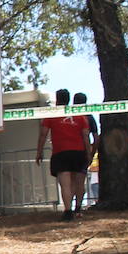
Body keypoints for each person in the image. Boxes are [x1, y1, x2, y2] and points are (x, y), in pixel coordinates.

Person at [36, 89, 90, 220]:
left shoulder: (51, 115)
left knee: (65, 184)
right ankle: (76, 208)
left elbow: (43, 134)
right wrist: (88, 153)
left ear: (57, 99)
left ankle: (68, 211)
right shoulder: (80, 116)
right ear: (69, 99)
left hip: (61, 152)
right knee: (77, 182)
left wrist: (39, 151)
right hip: (78, 152)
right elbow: (86, 136)